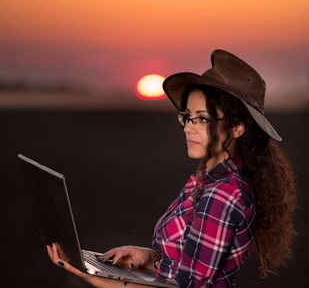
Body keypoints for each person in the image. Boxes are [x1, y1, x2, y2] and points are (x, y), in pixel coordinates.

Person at [47, 49, 297, 287]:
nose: (188, 127)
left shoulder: (222, 194)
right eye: (187, 116)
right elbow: (185, 268)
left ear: (237, 128)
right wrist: (147, 257)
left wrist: (104, 281)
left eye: (202, 118)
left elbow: (188, 286)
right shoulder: (206, 180)